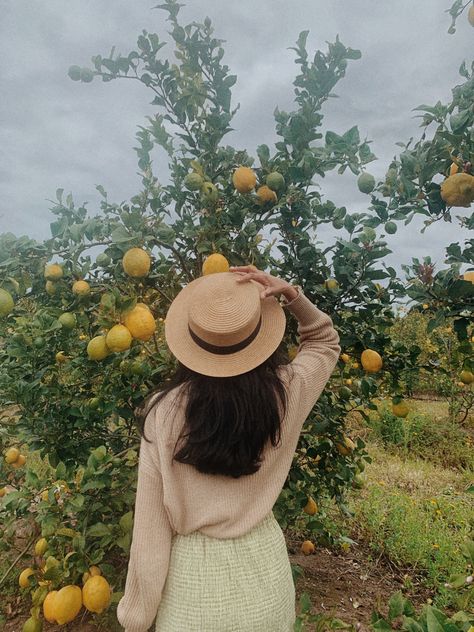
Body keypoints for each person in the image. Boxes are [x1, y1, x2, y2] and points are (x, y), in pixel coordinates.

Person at [116, 266, 341, 632]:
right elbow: (324, 342)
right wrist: (293, 296)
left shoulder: (164, 412)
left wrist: (136, 619)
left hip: (194, 596)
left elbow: (150, 537)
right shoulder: (286, 394)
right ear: (259, 338)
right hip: (266, 581)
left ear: (190, 342)